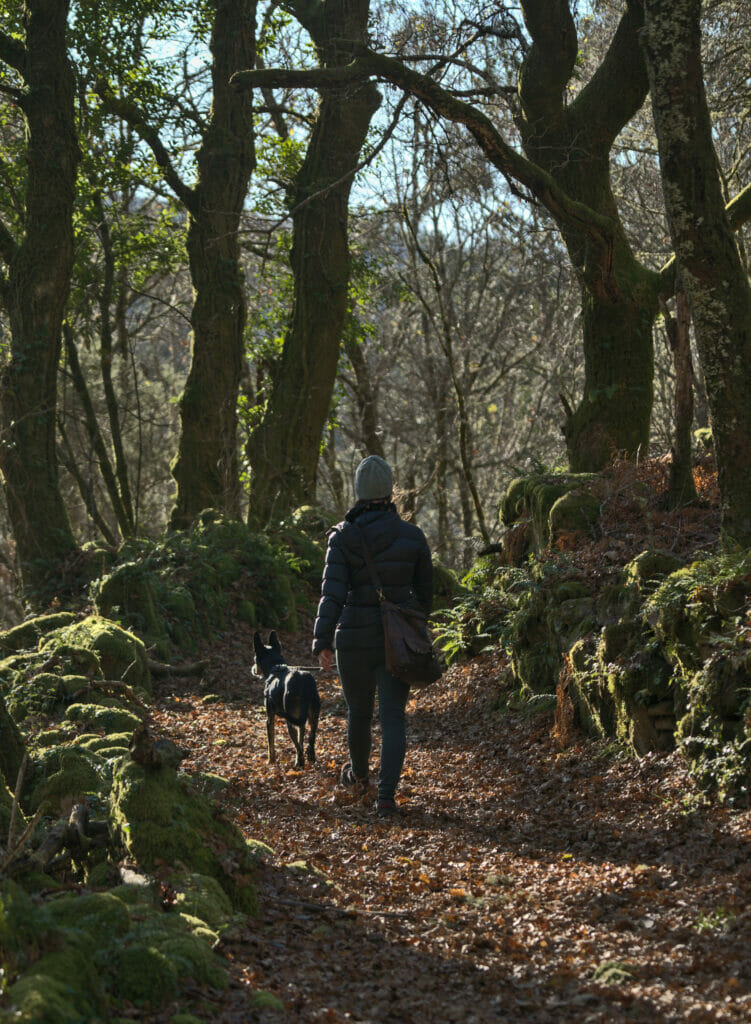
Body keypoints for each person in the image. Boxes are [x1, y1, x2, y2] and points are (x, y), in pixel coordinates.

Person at [312, 455, 433, 817]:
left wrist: (322, 641)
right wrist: (411, 625)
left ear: (359, 492)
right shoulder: (412, 536)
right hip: (395, 641)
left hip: (353, 638)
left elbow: (331, 593)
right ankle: (385, 797)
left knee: (359, 714)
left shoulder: (342, 536)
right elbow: (425, 595)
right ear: (389, 491)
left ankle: (361, 777)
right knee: (393, 715)